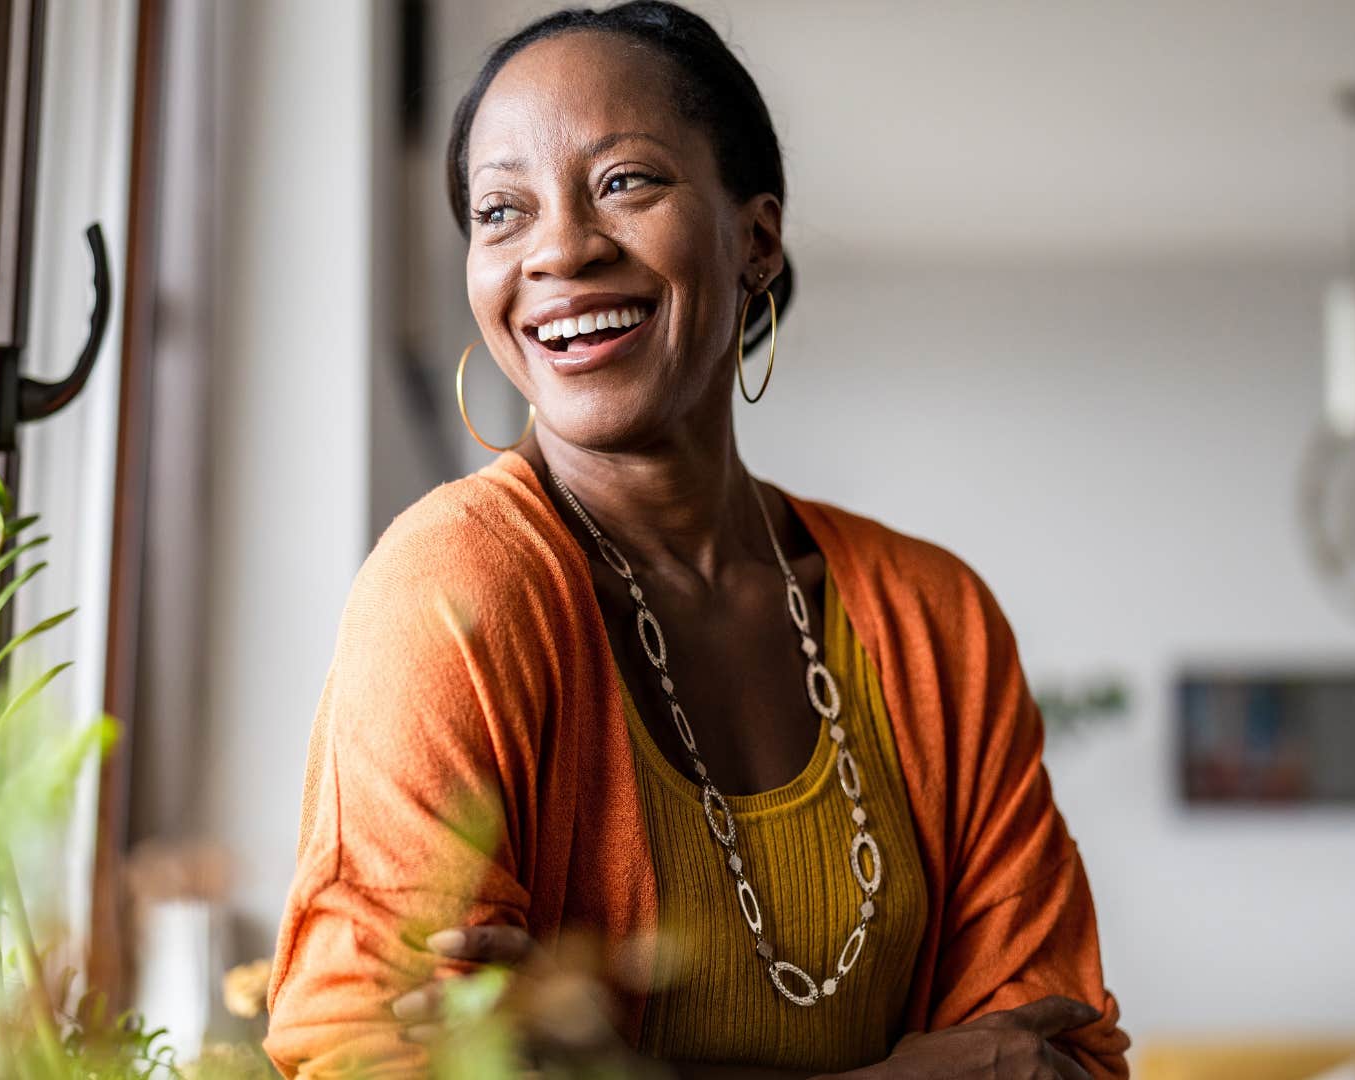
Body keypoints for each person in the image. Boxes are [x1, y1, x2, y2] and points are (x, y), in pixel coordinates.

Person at [264, 3, 1127, 1076]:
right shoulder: (456, 587)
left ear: (756, 240)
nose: (562, 249)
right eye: (501, 211)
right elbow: (365, 1050)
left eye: (626, 181)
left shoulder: (931, 616)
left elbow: (1059, 1058)